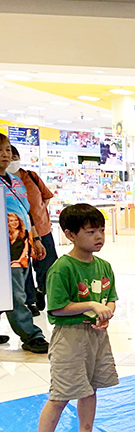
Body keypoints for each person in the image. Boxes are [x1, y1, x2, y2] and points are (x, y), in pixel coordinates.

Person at [33, 204, 118, 432]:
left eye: (101, 230)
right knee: (60, 396)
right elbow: (56, 308)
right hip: (69, 339)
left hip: (96, 336)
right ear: (70, 235)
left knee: (90, 388)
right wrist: (91, 305)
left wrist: (105, 314)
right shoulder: (62, 268)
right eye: (91, 231)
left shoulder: (103, 266)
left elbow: (111, 300)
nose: (99, 237)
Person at [0, 133, 48, 353]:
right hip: (4, 247)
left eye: (8, 150)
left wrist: (36, 238)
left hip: (20, 245)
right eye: (0, 150)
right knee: (15, 292)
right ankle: (31, 335)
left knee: (14, 288)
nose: (5, 155)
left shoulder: (16, 181)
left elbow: (26, 213)